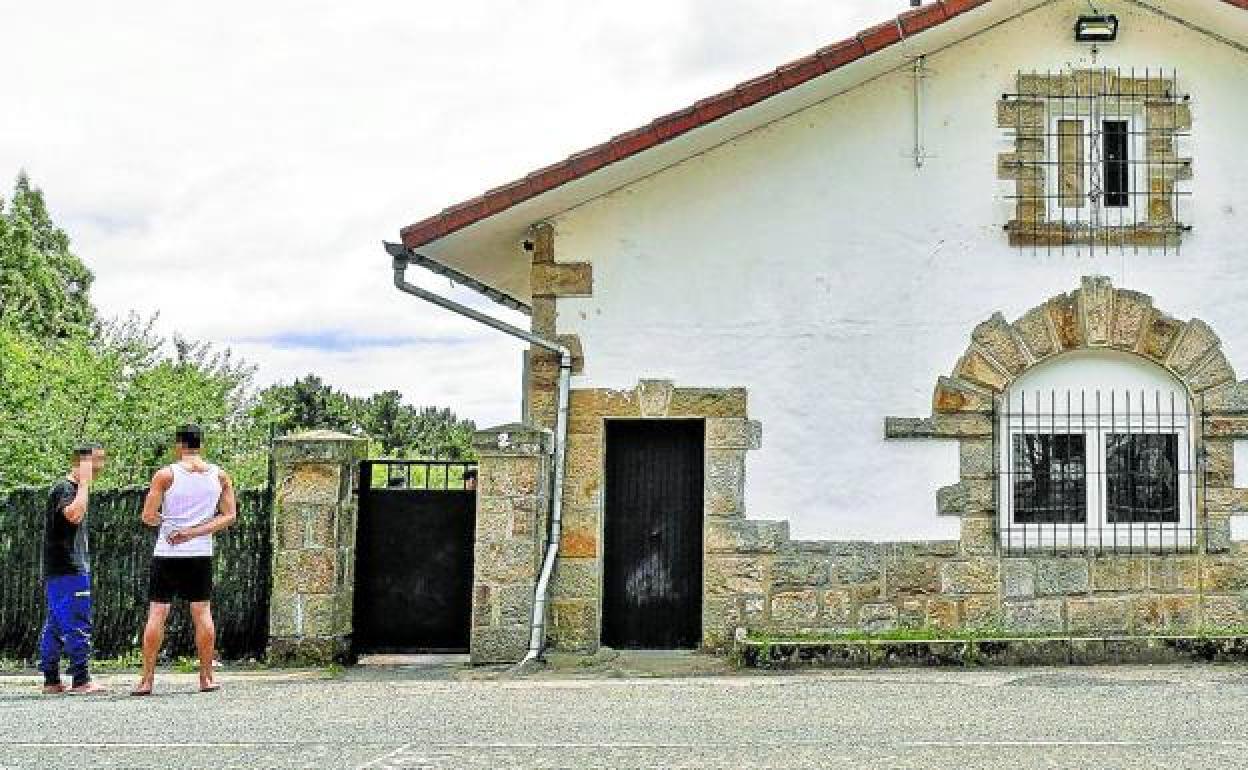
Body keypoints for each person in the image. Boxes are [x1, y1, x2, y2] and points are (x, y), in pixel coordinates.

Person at [132, 425, 237, 696]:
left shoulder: (166, 475)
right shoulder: (220, 475)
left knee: (157, 614)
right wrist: (194, 532)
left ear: (179, 445)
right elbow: (229, 516)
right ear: (200, 445)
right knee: (202, 614)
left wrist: (172, 525)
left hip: (167, 553)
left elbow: (147, 515)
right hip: (200, 553)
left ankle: (146, 681)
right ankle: (206, 677)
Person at [39, 444, 107, 695]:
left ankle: (51, 680)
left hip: (61, 569)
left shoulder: (70, 489)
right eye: (96, 461)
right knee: (78, 622)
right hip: (68, 568)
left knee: (55, 625)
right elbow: (75, 515)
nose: (101, 467)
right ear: (82, 462)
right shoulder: (65, 488)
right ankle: (81, 679)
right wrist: (86, 484)